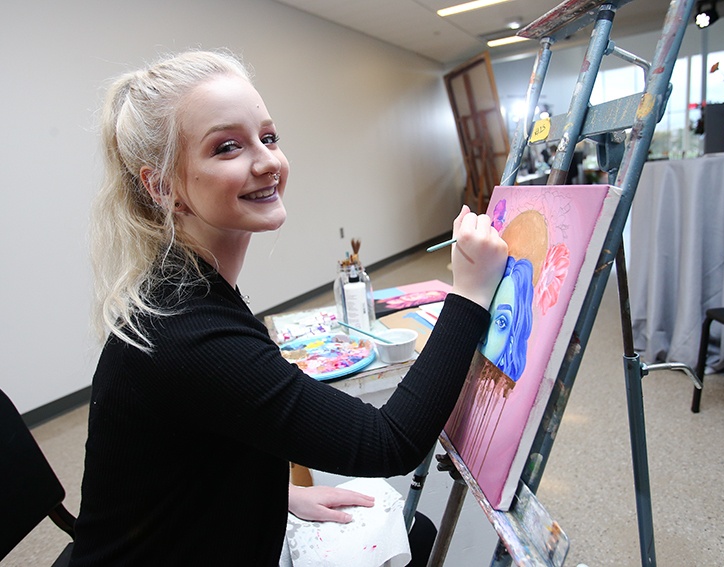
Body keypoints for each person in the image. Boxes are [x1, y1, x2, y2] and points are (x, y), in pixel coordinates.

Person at [70, 49, 508, 566]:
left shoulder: (186, 290)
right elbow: (389, 442)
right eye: (227, 147)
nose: (267, 162)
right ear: (163, 187)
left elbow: (187, 454)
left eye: (269, 137)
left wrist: (282, 494)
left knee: (416, 533)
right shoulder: (187, 334)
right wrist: (470, 292)